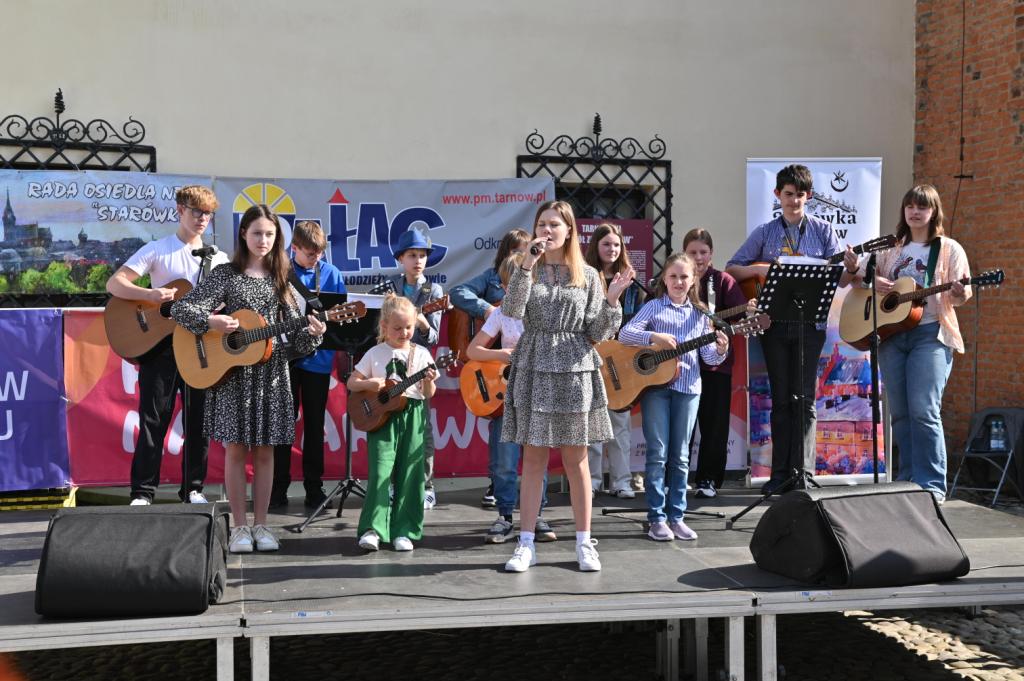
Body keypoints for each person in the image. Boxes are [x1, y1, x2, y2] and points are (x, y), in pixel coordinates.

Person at [171, 204, 326, 553]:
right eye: (257, 233)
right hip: (232, 377)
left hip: (272, 374)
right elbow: (181, 308)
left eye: (270, 234)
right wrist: (212, 322)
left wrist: (314, 334)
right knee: (236, 451)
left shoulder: (283, 277)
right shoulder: (226, 274)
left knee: (267, 452)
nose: (263, 240)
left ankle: (262, 526)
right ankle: (239, 527)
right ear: (243, 234)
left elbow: (297, 342)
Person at [500, 200, 632, 573]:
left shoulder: (587, 274)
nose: (547, 230)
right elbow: (511, 310)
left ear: (569, 230)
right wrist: (527, 264)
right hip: (535, 364)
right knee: (534, 459)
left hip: (575, 367)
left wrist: (612, 301)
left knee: (577, 460)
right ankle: (526, 543)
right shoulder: (526, 266)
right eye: (542, 223)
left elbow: (597, 332)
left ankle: (584, 542)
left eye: (555, 224)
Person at [725, 164, 857, 494]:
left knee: (806, 401)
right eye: (788, 194)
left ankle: (805, 474)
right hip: (773, 326)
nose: (794, 201)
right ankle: (780, 475)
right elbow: (732, 267)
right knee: (782, 401)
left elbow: (842, 279)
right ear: (777, 195)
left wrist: (852, 267)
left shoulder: (824, 231)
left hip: (810, 325)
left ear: (808, 196)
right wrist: (760, 270)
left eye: (799, 195)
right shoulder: (765, 232)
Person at [106, 185, 229, 506]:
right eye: (196, 211)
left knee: (198, 421)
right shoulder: (158, 249)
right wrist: (148, 294)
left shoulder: (219, 258)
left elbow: (228, 300)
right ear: (180, 210)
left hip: (202, 347)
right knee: (153, 419)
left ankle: (193, 489)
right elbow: (115, 283)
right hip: (161, 345)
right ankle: (142, 492)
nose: (202, 218)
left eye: (208, 213)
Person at [855, 185, 970, 504]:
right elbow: (858, 278)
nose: (915, 212)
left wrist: (959, 291)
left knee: (924, 410)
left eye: (922, 207)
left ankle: (931, 483)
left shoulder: (948, 249)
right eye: (910, 206)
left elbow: (962, 295)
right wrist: (872, 281)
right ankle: (907, 480)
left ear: (934, 212)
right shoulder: (890, 248)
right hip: (891, 335)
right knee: (901, 414)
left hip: (930, 334)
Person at [620, 253, 728, 541]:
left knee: (680, 457)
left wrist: (720, 349)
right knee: (657, 454)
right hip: (656, 389)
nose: (679, 282)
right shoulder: (653, 306)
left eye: (684, 277)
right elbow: (625, 334)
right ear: (664, 279)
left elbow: (708, 358)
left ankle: (677, 516)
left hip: (689, 389)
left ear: (693, 280)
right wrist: (653, 338)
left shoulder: (701, 314)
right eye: (673, 276)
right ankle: (656, 518)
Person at [465, 253, 555, 544]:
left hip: (538, 396)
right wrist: (501, 354)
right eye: (510, 285)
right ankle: (505, 515)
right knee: (504, 461)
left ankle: (536, 515)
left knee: (536, 460)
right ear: (504, 287)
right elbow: (473, 351)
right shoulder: (501, 313)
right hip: (506, 399)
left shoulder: (546, 313)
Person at [348, 294, 438, 551]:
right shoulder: (375, 353)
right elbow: (352, 382)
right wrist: (370, 383)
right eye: (397, 328)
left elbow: (428, 393)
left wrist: (429, 381)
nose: (404, 333)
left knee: (410, 473)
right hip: (382, 418)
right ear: (384, 326)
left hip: (413, 413)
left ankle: (403, 530)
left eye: (408, 327)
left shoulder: (421, 353)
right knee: (380, 472)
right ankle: (373, 529)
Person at [450, 228, 531, 507]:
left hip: (529, 379)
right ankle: (499, 493)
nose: (522, 257)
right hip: (497, 373)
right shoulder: (492, 280)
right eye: (517, 251)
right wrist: (487, 310)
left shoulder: (539, 302)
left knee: (533, 452)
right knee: (503, 441)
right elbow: (457, 293)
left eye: (527, 252)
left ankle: (535, 509)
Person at [270, 220, 347, 510]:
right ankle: (277, 488)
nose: (316, 258)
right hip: (283, 360)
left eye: (320, 253)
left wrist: (327, 327)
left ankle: (314, 488)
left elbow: (340, 319)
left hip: (318, 361)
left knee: (315, 426)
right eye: (310, 253)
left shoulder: (332, 273)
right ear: (295, 248)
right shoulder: (279, 271)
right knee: (283, 424)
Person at [683, 228, 753, 499]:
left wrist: (744, 315)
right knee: (682, 427)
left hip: (715, 366)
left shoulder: (722, 281)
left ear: (711, 253)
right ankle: (675, 479)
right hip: (680, 366)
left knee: (714, 425)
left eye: (703, 252)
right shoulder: (677, 278)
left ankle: (708, 479)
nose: (698, 257)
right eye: (692, 252)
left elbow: (741, 316)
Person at [583, 222, 646, 499]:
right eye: (606, 244)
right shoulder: (585, 278)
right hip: (590, 358)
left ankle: (621, 482)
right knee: (592, 424)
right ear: (596, 246)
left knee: (620, 425)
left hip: (621, 361)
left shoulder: (632, 285)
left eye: (617, 244)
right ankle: (592, 481)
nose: (612, 249)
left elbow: (638, 323)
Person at [385, 229, 444, 510]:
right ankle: (393, 484)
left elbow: (433, 337)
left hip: (420, 364)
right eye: (412, 255)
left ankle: (426, 485)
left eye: (422, 255)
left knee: (422, 427)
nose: (418, 260)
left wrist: (421, 322)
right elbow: (377, 329)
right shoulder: (389, 288)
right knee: (391, 425)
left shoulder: (434, 292)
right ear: (401, 258)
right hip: (390, 364)